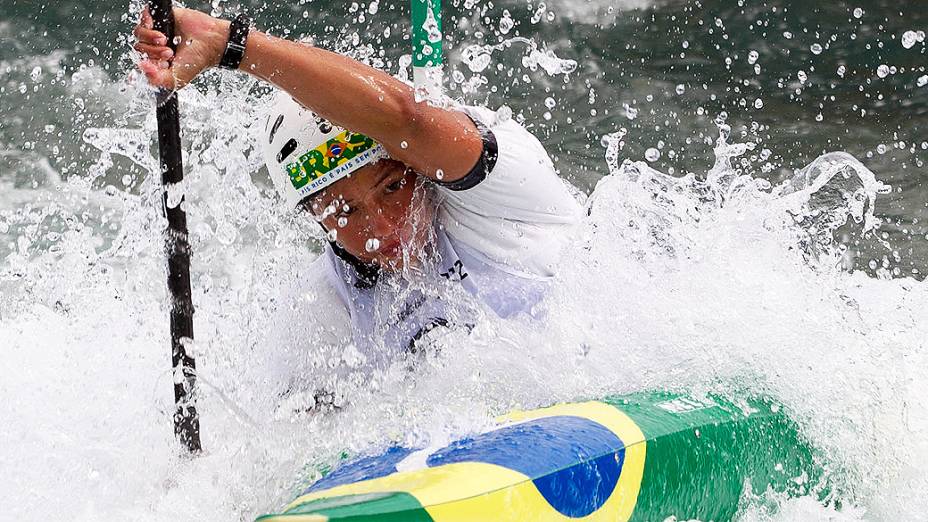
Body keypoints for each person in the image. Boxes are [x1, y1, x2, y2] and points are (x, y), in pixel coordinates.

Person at [133, 8, 582, 373]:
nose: (381, 226)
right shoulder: (323, 306)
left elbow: (405, 119)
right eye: (344, 211)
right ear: (315, 219)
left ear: (414, 163)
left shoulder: (506, 186)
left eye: (391, 188)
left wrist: (230, 44)